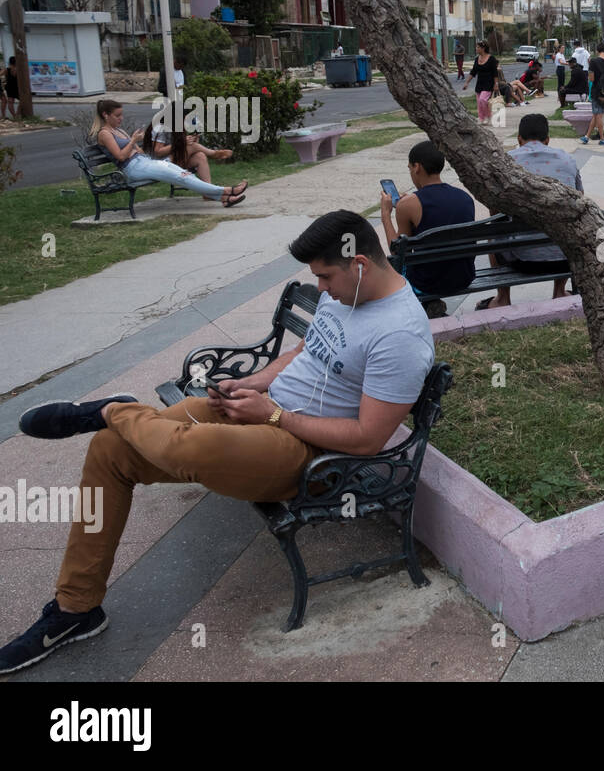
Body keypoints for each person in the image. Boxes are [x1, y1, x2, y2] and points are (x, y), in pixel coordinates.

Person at [3, 211, 437, 674]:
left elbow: (368, 440)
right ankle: (76, 609)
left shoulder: (401, 335)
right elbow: (302, 353)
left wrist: (272, 414)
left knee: (186, 447)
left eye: (325, 277)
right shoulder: (346, 294)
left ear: (360, 264)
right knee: (110, 451)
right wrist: (252, 383)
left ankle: (113, 409)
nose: (322, 288)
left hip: (310, 455)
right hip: (263, 409)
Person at [476, 114, 581, 309]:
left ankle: (503, 298)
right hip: (563, 258)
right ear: (547, 140)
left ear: (519, 139)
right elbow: (578, 201)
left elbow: (495, 211)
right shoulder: (567, 160)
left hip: (520, 259)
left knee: (494, 228)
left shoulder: (505, 163)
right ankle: (559, 291)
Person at [379, 140, 477, 318]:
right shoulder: (464, 198)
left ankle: (427, 303)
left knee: (386, 268)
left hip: (427, 283)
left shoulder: (408, 205)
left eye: (409, 168)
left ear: (417, 167)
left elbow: (397, 254)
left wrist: (386, 216)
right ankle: (431, 304)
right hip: (463, 277)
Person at [91, 99, 246, 207]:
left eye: (121, 115)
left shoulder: (118, 130)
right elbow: (120, 156)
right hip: (133, 168)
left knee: (183, 174)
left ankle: (223, 198)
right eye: (117, 116)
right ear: (106, 115)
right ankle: (226, 191)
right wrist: (133, 141)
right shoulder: (104, 134)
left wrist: (138, 145)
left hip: (143, 161)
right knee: (179, 176)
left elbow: (137, 151)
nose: (121, 118)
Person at [583, 41, 604, 145]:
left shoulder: (593, 61)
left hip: (597, 92)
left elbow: (591, 79)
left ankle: (602, 138)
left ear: (597, 51)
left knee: (599, 115)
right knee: (596, 114)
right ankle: (587, 136)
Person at [462, 40, 498, 122]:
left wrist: (496, 84)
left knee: (483, 100)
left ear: (483, 48)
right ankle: (482, 118)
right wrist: (467, 82)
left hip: (488, 83)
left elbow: (495, 73)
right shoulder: (476, 59)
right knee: (479, 103)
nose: (476, 49)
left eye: (478, 47)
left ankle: (488, 116)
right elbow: (473, 72)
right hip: (479, 84)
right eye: (476, 47)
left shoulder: (491, 59)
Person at [3, 55, 19, 120]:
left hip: (9, 87)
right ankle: (17, 114)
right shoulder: (18, 69)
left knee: (10, 102)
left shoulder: (7, 69)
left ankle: (15, 115)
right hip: (17, 87)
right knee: (22, 101)